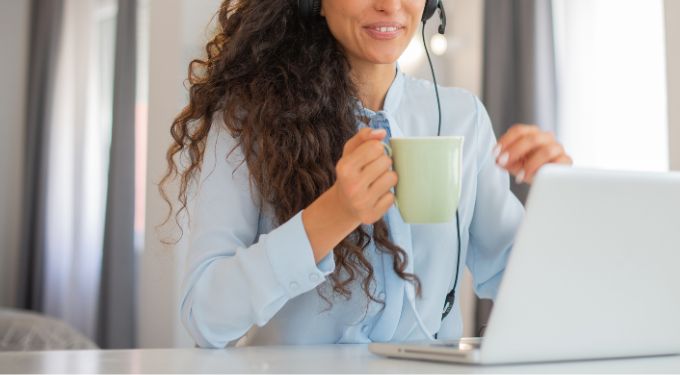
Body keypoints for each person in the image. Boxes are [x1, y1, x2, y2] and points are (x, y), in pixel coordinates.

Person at [163, 0, 572, 349]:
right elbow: (205, 318)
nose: (390, 5)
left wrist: (562, 204)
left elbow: (520, 283)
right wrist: (335, 213)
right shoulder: (246, 122)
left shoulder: (462, 117)